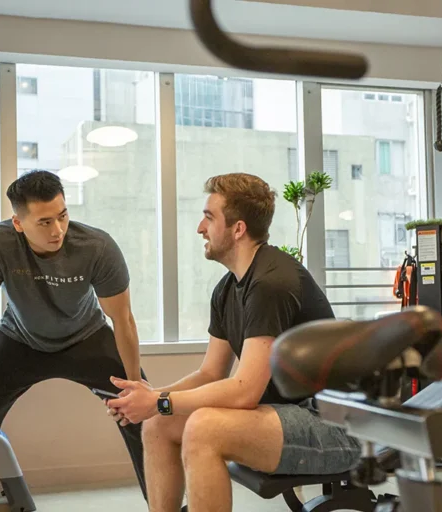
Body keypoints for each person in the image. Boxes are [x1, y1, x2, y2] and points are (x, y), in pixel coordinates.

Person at [104, 173, 362, 512]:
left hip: (338, 427)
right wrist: (152, 399)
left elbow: (244, 392)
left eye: (209, 217)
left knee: (203, 427)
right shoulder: (227, 289)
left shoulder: (272, 283)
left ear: (238, 229)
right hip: (289, 413)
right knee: (159, 422)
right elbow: (210, 373)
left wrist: (161, 400)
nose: (200, 227)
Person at [0, 170, 148, 511]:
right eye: (44, 222)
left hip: (87, 337)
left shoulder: (97, 247)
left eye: (62, 216)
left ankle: (167, 504)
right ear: (19, 223)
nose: (57, 231)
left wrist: (135, 385)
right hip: (19, 340)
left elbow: (123, 319)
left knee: (143, 415)